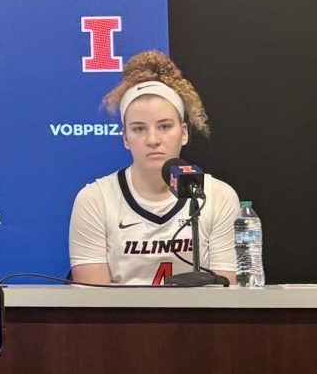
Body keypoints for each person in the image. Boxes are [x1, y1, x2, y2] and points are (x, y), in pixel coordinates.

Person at [69, 51, 238, 286]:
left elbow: (226, 297)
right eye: (139, 129)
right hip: (120, 323)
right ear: (125, 138)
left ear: (184, 133)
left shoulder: (219, 196)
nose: (152, 139)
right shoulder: (95, 200)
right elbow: (95, 307)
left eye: (165, 126)